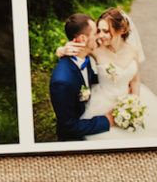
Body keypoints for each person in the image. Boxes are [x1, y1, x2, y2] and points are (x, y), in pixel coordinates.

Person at [59, 8, 157, 141]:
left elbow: (135, 81)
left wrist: (134, 104)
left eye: (106, 31)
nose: (100, 35)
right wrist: (61, 50)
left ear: (121, 30)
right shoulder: (96, 49)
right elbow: (77, 48)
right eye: (98, 30)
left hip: (128, 102)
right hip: (102, 104)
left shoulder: (133, 51)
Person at [49, 13, 113, 141]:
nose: (99, 36)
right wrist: (106, 121)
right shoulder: (62, 82)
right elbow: (69, 126)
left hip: (88, 109)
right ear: (83, 39)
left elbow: (88, 78)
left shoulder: (84, 58)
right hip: (76, 138)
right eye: (95, 33)